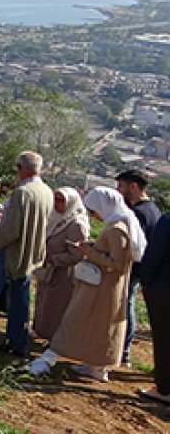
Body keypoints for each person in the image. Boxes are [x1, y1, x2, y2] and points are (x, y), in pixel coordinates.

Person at [29, 187, 146, 381]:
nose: (94, 215)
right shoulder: (117, 225)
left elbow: (118, 264)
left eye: (94, 210)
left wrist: (88, 252)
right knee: (99, 328)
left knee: (74, 321)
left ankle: (49, 359)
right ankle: (96, 367)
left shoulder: (117, 230)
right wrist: (91, 248)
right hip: (104, 287)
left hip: (102, 288)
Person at [0, 151, 52, 358]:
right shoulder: (46, 191)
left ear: (21, 168)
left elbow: (11, 230)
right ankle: (18, 342)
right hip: (32, 252)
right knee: (20, 298)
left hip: (13, 252)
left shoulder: (22, 193)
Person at [31, 187, 89, 341]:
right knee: (44, 303)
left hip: (65, 274)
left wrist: (54, 259)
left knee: (56, 307)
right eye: (55, 199)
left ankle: (55, 339)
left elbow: (77, 254)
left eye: (61, 200)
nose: (56, 204)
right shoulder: (55, 219)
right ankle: (40, 332)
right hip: (49, 271)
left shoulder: (76, 224)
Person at [117, 169, 162, 367]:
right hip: (142, 270)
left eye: (121, 186)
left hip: (134, 270)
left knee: (125, 308)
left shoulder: (139, 213)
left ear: (133, 186)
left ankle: (122, 351)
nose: (119, 191)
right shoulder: (153, 209)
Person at [139, 209, 170, 403]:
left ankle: (165, 389)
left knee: (164, 339)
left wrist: (146, 283)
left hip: (163, 290)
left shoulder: (167, 221)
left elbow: (153, 256)